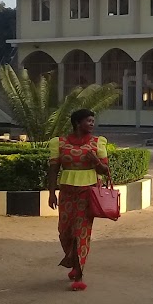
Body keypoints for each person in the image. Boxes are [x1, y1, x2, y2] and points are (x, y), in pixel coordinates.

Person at [46, 108, 111, 291]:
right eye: (88, 121)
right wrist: (52, 192)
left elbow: (105, 171)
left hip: (87, 193)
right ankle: (73, 262)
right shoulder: (59, 143)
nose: (92, 124)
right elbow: (53, 169)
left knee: (81, 232)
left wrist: (96, 162)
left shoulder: (98, 143)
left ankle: (79, 273)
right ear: (77, 123)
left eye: (92, 121)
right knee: (64, 231)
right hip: (66, 192)